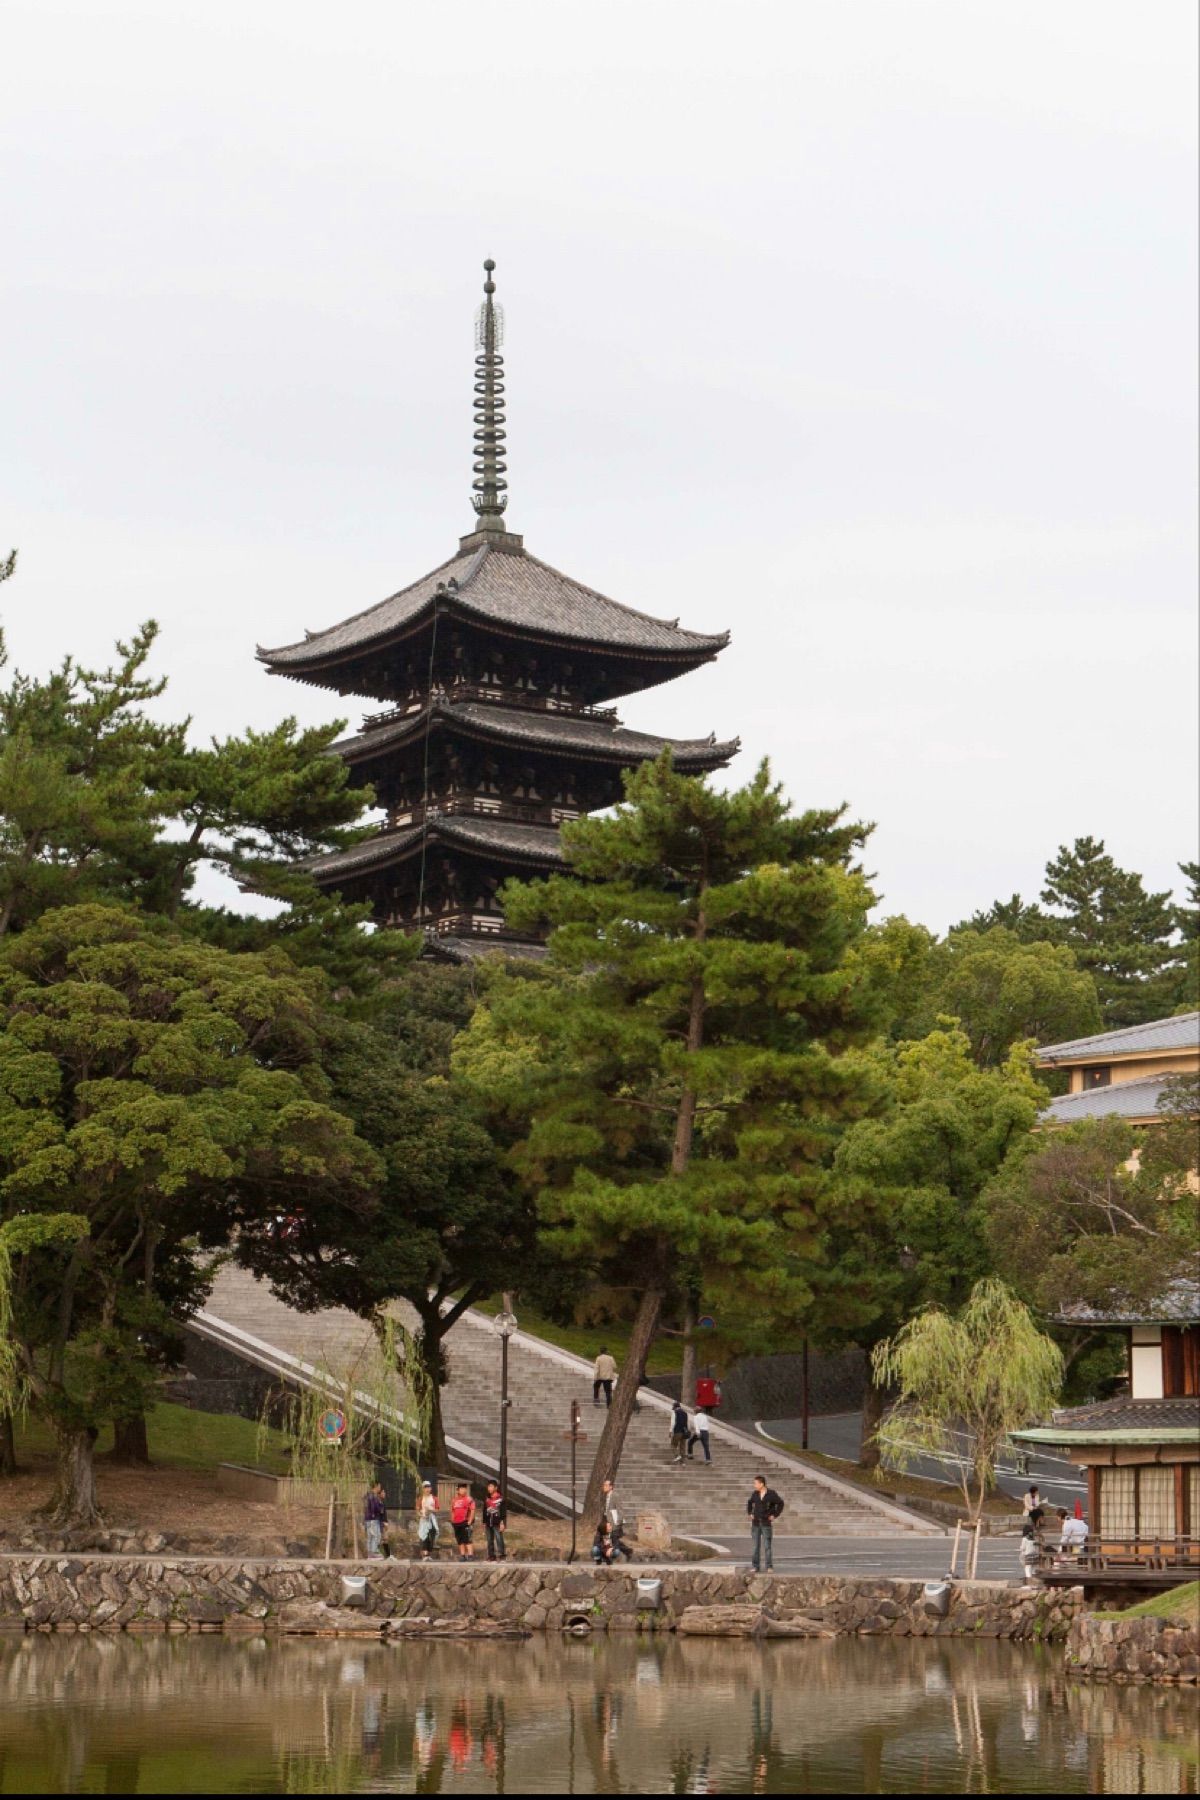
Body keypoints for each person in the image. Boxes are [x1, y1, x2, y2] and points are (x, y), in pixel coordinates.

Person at [747, 1475, 784, 1572]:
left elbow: (780, 1503)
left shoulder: (771, 1494)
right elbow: (750, 1502)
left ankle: (769, 1566)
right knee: (755, 1546)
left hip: (766, 1523)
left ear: (761, 1484)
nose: (754, 1485)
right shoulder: (755, 1493)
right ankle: (755, 1566)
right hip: (755, 1524)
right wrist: (750, 1513)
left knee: (767, 1546)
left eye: (755, 1483)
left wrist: (775, 1515)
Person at [602, 1478, 635, 1561]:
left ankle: (617, 1556)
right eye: (604, 1485)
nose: (604, 1487)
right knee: (613, 1539)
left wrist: (618, 1521)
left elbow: (620, 1509)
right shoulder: (607, 1496)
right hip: (609, 1522)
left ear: (611, 1487)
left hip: (615, 1522)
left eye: (606, 1485)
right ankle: (628, 1551)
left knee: (614, 1539)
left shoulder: (615, 1496)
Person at [450, 1482, 477, 1560]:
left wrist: (470, 1520)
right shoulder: (454, 1500)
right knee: (460, 1540)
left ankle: (470, 1555)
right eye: (461, 1489)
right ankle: (463, 1555)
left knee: (467, 1539)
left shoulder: (469, 1499)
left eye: (464, 1489)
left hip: (465, 1522)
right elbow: (452, 1510)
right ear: (458, 1490)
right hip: (456, 1523)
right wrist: (452, 1520)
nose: (463, 1490)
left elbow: (472, 1510)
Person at [363, 1481, 388, 1559]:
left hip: (368, 1519)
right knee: (376, 1535)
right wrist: (380, 1509)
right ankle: (374, 1552)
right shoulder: (373, 1496)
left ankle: (370, 1554)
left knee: (370, 1537)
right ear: (376, 1486)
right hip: (373, 1519)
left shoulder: (367, 1495)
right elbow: (375, 1508)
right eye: (379, 1487)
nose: (380, 1488)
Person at [484, 1479, 507, 1561]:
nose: (489, 1488)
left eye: (491, 1486)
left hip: (497, 1521)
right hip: (488, 1521)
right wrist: (484, 1521)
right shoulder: (487, 1498)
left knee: (499, 1538)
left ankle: (502, 1554)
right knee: (489, 1539)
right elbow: (484, 1510)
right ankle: (491, 1555)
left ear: (495, 1488)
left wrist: (502, 1522)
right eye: (488, 1486)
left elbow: (503, 1511)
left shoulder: (500, 1499)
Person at [416, 1480, 440, 1560]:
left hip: (432, 1518)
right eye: (425, 1487)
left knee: (433, 1533)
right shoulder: (420, 1498)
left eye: (428, 1487)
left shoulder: (434, 1498)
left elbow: (437, 1509)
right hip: (423, 1519)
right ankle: (425, 1554)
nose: (427, 1489)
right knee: (424, 1536)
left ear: (431, 1488)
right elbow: (417, 1510)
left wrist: (430, 1510)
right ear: (423, 1489)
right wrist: (421, 1515)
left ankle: (428, 1553)